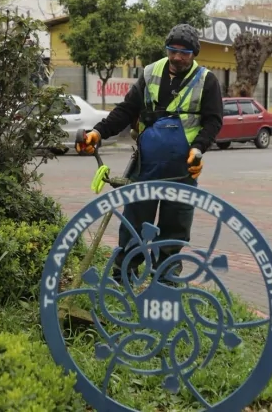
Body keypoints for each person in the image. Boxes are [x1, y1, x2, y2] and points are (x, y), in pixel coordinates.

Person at [76, 24, 224, 285]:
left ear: (194, 53)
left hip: (182, 169)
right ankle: (123, 278)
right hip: (145, 165)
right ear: (166, 49)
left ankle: (164, 283)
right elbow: (125, 110)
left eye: (184, 52)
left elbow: (213, 121)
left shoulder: (207, 80)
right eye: (172, 50)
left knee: (175, 225)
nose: (177, 57)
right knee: (135, 220)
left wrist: (198, 148)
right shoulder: (150, 73)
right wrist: (98, 133)